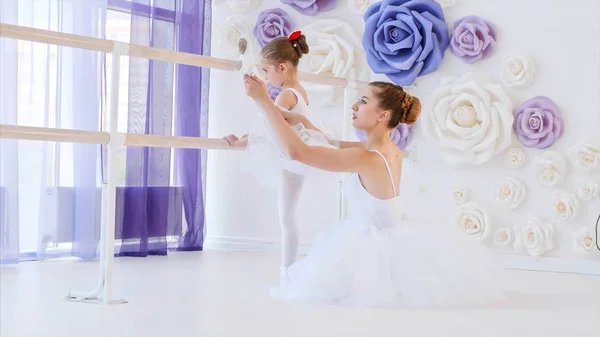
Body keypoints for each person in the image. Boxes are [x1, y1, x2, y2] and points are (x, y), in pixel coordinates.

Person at [242, 73, 507, 308]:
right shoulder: (387, 150)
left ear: (383, 115)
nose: (355, 106)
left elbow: (298, 152)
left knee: (309, 290)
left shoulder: (367, 158)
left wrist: (265, 102)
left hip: (371, 242)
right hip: (390, 233)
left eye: (364, 101)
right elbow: (333, 143)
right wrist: (301, 121)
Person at [223, 31, 337, 286]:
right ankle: (288, 269)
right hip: (293, 157)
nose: (265, 77)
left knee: (286, 217)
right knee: (288, 216)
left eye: (266, 71)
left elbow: (269, 126)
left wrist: (241, 141)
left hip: (290, 157)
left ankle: (287, 271)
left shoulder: (286, 95)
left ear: (282, 67)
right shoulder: (300, 91)